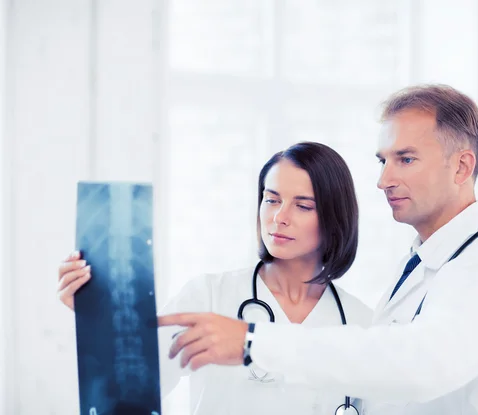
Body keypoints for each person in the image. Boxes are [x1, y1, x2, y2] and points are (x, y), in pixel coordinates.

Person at [158, 84, 478, 415]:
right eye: (383, 161)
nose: (383, 180)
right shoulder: (422, 267)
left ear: (462, 167)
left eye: (406, 159)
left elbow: (420, 363)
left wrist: (253, 343)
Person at [57, 142, 372, 415]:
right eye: (272, 199)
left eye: (302, 205)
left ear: (334, 217)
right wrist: (97, 320)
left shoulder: (362, 322)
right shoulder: (208, 296)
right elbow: (129, 396)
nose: (279, 217)